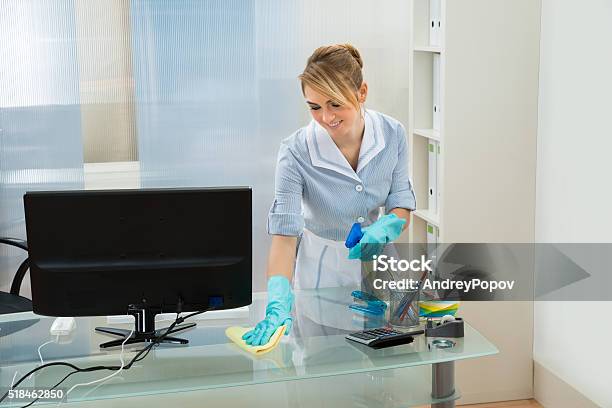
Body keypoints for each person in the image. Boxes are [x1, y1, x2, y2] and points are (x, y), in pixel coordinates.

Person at [242, 44, 416, 346]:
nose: (325, 117)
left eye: (335, 104)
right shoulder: (295, 152)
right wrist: (278, 301)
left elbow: (401, 202)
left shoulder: (392, 133)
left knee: (385, 378)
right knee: (323, 376)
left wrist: (386, 227)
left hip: (382, 272)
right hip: (322, 279)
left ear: (361, 93)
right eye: (314, 106)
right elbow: (284, 237)